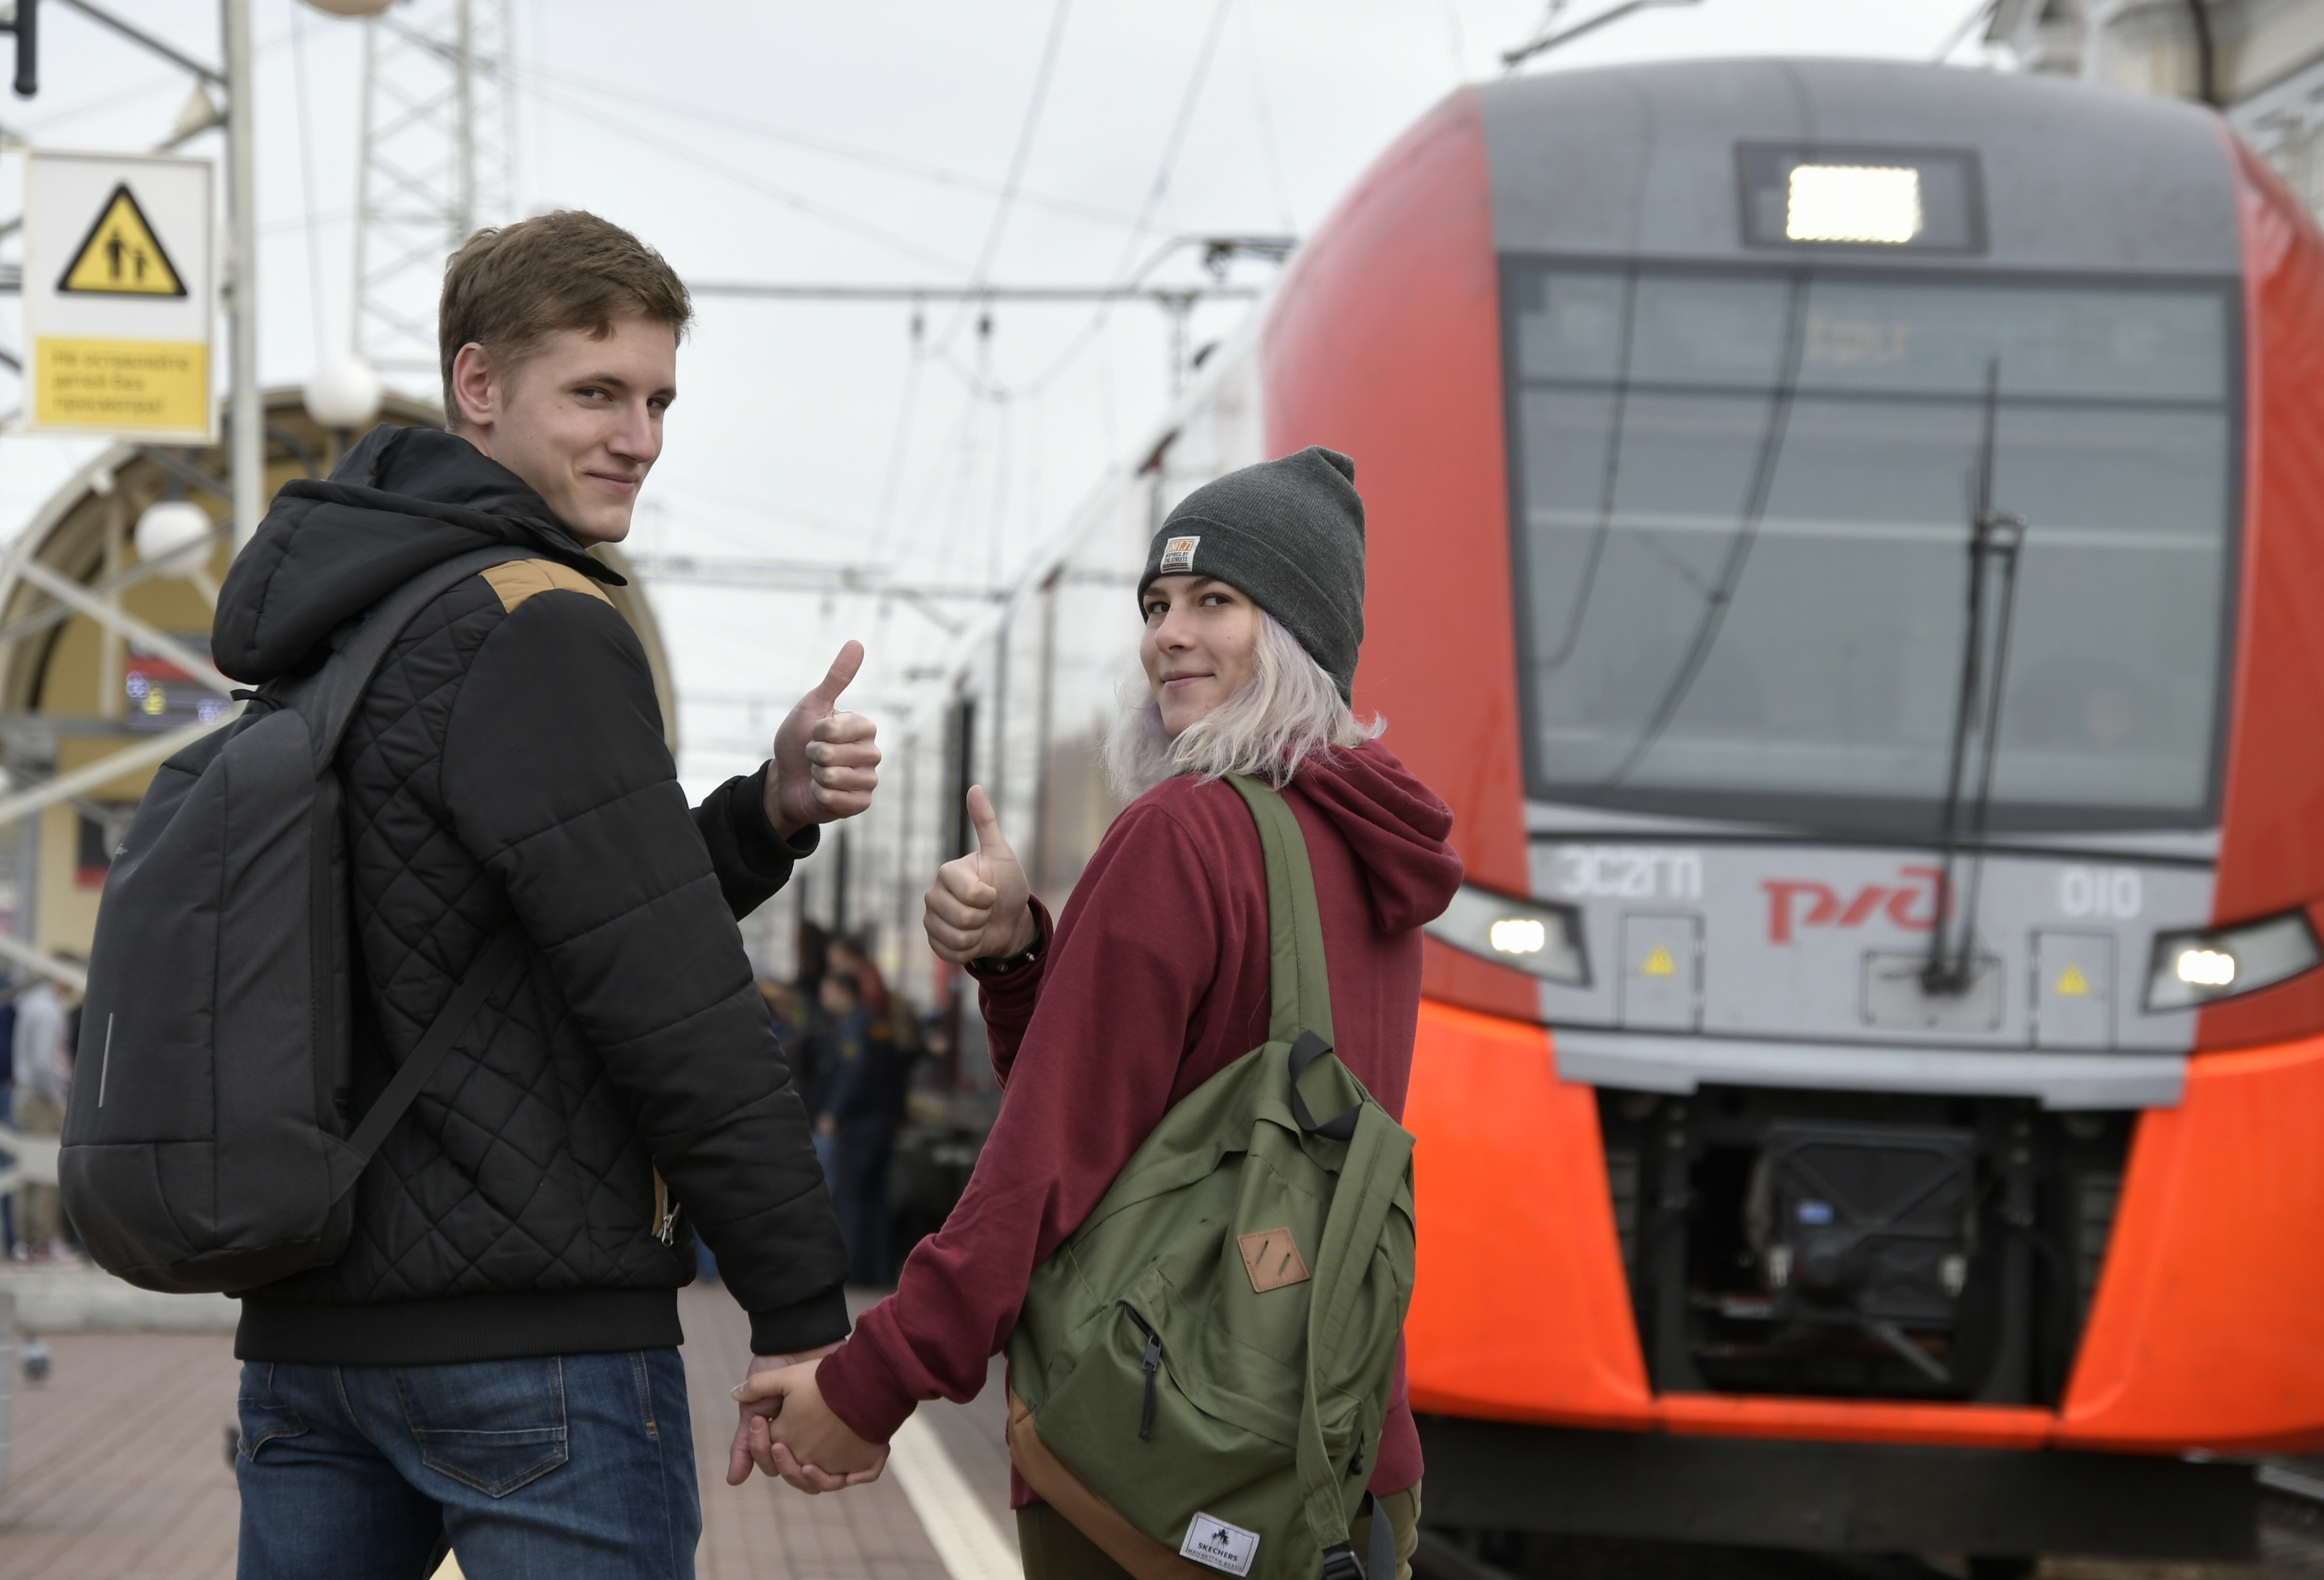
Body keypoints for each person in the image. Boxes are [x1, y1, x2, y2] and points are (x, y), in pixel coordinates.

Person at [212, 210, 881, 1580]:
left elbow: (511, 934)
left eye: (658, 401)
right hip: (536, 1360)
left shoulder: (341, 626)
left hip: (309, 1345)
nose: (638, 436)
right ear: (479, 386)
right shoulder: (541, 627)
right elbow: (673, 1001)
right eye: (595, 392)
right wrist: (806, 1313)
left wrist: (764, 814)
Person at [736, 447, 1464, 1578]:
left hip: (1173, 1452)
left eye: (1216, 601)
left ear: (1297, 631)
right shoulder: (1379, 860)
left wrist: (870, 1383)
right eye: (1157, 603)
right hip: (1346, 1441)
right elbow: (1166, 1117)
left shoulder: (1183, 831)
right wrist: (1028, 960)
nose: (1168, 633)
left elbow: (1050, 1160)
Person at [810, 971, 908, 1286]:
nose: (824, 999)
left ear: (843, 991)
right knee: (876, 1199)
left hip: (859, 1124)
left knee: (850, 1197)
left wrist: (833, 1112)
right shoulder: (877, 1024)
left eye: (827, 991)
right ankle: (878, 1272)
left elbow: (853, 1073)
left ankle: (851, 1272)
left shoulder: (852, 1027)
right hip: (883, 1123)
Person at [9, 975, 71, 1262]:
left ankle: (27, 1242)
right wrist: (57, 1100)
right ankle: (45, 1242)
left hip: (26, 1094)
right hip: (41, 1098)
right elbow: (42, 1063)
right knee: (45, 1173)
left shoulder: (32, 1005)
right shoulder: (48, 1010)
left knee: (29, 1174)